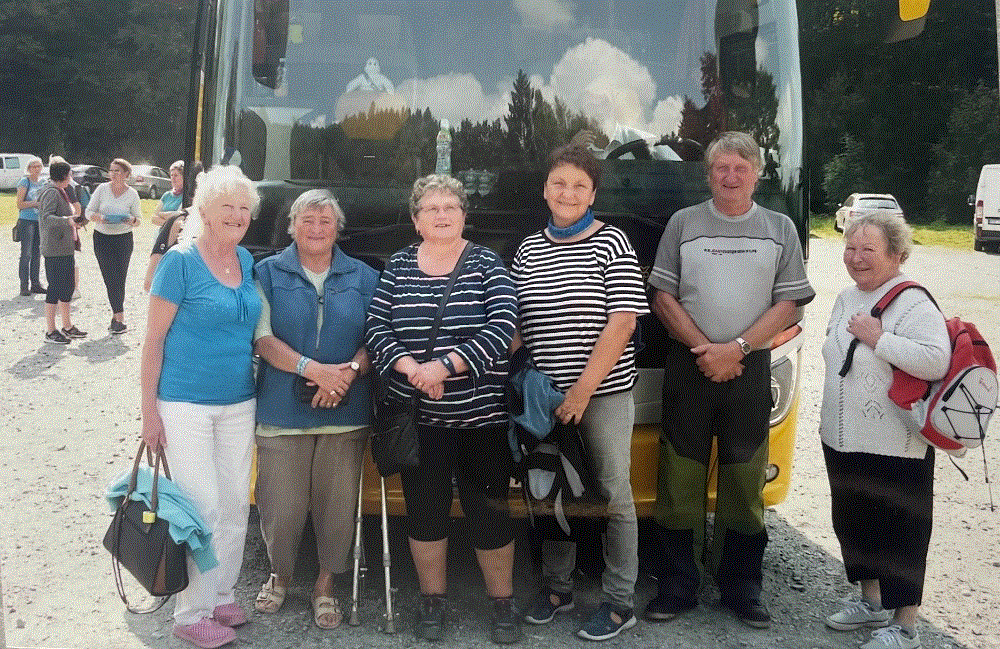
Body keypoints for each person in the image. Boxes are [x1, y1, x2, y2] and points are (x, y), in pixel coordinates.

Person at [647, 131, 815, 628]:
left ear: (757, 174)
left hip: (749, 367)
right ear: (708, 175)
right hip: (690, 366)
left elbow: (789, 303)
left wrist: (736, 349)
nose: (731, 176)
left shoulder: (779, 228)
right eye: (721, 167)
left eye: (741, 167)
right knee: (679, 477)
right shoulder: (683, 223)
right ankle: (678, 586)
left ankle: (741, 587)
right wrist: (706, 349)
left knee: (744, 480)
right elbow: (661, 297)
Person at [364, 174, 520, 645]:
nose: (442, 215)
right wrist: (413, 369)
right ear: (416, 221)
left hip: (482, 419)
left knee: (489, 513)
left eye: (451, 207)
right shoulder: (397, 266)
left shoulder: (488, 264)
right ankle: (432, 600)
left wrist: (444, 367)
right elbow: (376, 328)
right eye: (431, 208)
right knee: (425, 513)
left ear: (464, 216)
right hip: (420, 421)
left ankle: (502, 602)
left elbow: (503, 327)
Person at [512, 144, 648, 641]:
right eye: (559, 183)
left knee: (613, 494)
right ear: (545, 190)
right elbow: (516, 323)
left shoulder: (612, 242)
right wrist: (517, 373)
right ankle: (557, 589)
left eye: (579, 186)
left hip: (602, 395)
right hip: (546, 397)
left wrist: (582, 392)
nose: (567, 193)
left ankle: (619, 601)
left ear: (593, 194)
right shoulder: (528, 249)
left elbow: (623, 322)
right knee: (552, 492)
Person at [140, 165, 262, 649]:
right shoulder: (179, 262)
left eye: (244, 208)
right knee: (202, 507)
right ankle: (191, 613)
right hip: (185, 404)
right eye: (226, 206)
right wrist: (149, 413)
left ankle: (222, 595)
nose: (237, 215)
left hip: (239, 402)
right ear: (204, 211)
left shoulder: (245, 259)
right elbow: (152, 342)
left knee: (234, 504)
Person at [820, 211, 949, 649]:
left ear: (896, 254)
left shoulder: (913, 301)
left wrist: (880, 339)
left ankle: (906, 625)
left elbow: (936, 360)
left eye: (868, 250)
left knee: (901, 532)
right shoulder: (846, 297)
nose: (855, 258)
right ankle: (871, 602)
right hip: (842, 438)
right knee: (854, 522)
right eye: (850, 248)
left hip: (896, 443)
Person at [251, 189, 378, 630]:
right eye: (307, 220)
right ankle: (280, 574)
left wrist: (346, 375)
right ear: (292, 227)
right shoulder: (265, 273)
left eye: (326, 221)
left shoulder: (365, 276)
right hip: (282, 411)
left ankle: (326, 584)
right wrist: (316, 371)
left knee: (337, 508)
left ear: (338, 229)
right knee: (281, 508)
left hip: (346, 409)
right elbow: (263, 339)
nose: (317, 228)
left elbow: (377, 338)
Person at [86, 157, 142, 333]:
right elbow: (88, 211)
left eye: (117, 171)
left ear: (126, 174)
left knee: (120, 277)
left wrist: (132, 220)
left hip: (123, 239)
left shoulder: (132, 194)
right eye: (111, 170)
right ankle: (119, 315)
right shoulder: (101, 189)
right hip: (102, 238)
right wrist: (97, 217)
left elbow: (139, 219)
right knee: (110, 277)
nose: (113, 174)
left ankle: (117, 317)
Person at [37, 161, 86, 343]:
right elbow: (47, 218)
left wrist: (73, 221)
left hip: (65, 247)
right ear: (65, 175)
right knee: (55, 287)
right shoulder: (51, 192)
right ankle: (50, 331)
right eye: (70, 174)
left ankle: (67, 326)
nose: (71, 177)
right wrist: (68, 220)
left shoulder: (61, 191)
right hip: (54, 249)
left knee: (68, 287)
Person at [15, 157, 46, 296]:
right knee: (26, 253)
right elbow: (19, 204)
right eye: (34, 166)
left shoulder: (44, 182)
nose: (37, 169)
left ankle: (35, 284)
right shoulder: (24, 182)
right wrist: (35, 203)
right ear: (29, 168)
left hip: (39, 220)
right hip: (26, 220)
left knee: (37, 253)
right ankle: (24, 286)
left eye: (39, 166)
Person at [152, 160, 185, 226]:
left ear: (183, 177)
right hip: (162, 230)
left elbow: (179, 218)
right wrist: (169, 224)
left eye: (176, 175)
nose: (173, 178)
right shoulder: (166, 195)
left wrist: (162, 216)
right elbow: (154, 218)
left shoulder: (185, 196)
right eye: (171, 175)